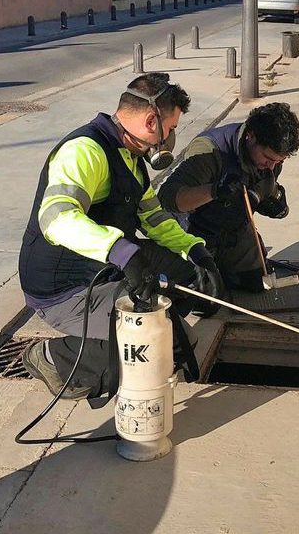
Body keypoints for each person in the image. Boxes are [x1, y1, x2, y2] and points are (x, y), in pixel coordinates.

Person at [18, 72, 222, 401]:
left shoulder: (132, 159)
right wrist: (123, 253)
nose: (170, 138)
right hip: (64, 290)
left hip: (99, 273)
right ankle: (56, 358)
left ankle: (147, 320)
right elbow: (56, 218)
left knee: (182, 292)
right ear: (152, 121)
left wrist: (197, 253)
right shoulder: (85, 151)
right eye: (171, 129)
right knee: (162, 343)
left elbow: (155, 219)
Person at [157, 102, 299, 292]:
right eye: (268, 158)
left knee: (257, 282)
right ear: (250, 136)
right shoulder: (209, 151)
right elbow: (167, 198)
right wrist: (214, 190)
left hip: (233, 229)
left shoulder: (269, 162)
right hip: (194, 231)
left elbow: (262, 197)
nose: (272, 166)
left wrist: (269, 194)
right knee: (203, 297)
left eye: (279, 161)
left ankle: (224, 268)